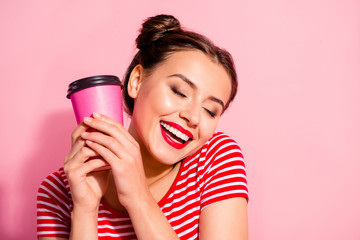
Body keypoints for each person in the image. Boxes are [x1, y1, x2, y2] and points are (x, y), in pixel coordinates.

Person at [37, 14, 248, 240]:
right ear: (136, 81)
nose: (194, 117)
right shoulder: (57, 192)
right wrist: (86, 210)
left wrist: (138, 197)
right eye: (179, 92)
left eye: (210, 110)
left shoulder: (215, 158)